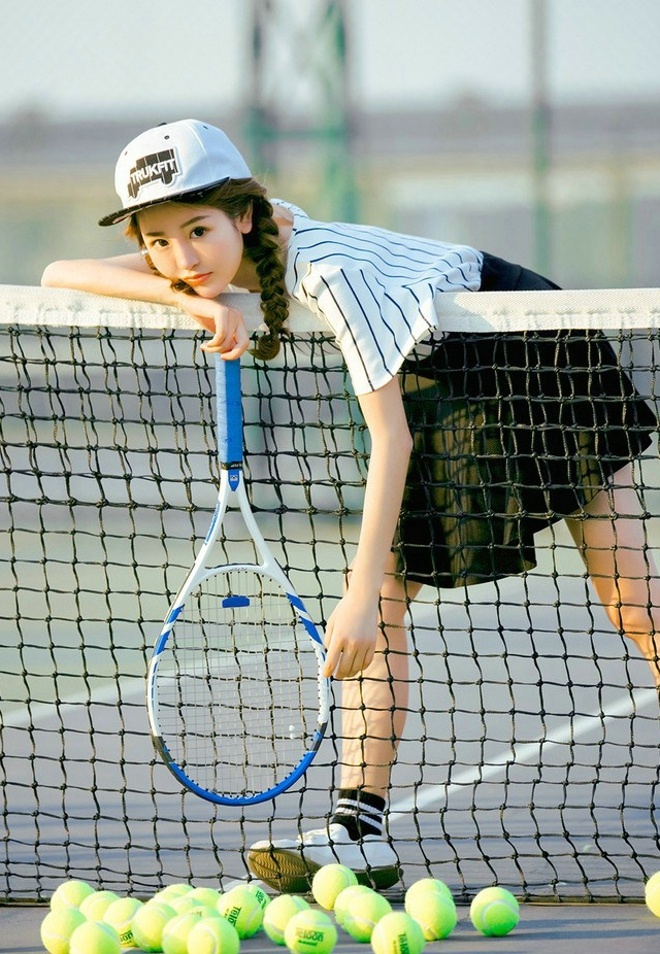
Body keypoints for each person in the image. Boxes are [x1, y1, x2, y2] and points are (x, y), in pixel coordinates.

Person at [42, 119, 659, 892]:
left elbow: (389, 441)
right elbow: (61, 272)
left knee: (632, 599)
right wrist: (200, 304)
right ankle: (358, 829)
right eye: (158, 240)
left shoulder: (330, 274)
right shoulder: (237, 244)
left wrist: (356, 597)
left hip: (531, 350)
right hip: (436, 373)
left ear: (244, 214)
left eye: (197, 231)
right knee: (391, 597)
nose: (182, 258)